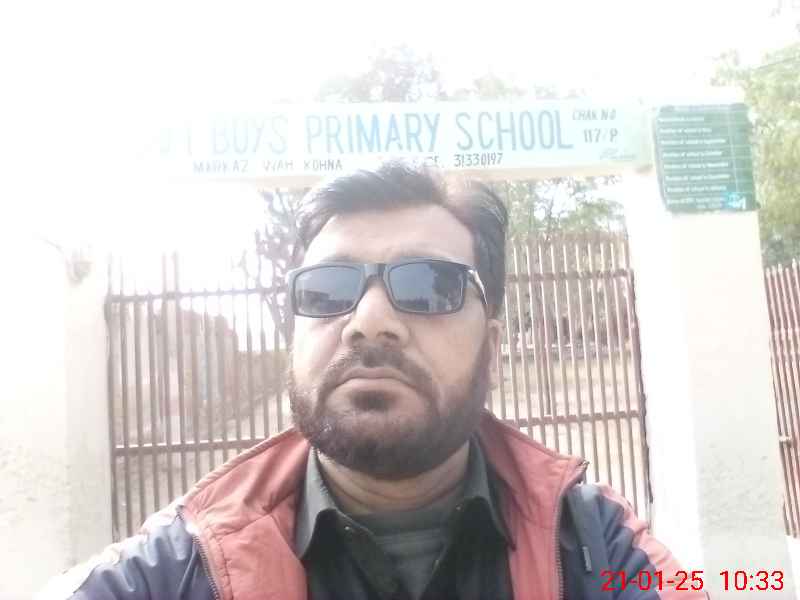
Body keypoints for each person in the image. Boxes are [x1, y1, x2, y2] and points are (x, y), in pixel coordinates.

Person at [41, 162, 705, 600]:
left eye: (430, 286)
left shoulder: (594, 545)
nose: (369, 322)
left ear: (493, 348)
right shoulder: (183, 564)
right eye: (328, 289)